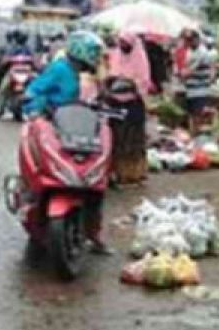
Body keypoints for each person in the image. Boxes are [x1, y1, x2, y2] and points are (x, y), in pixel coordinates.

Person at [21, 30, 112, 254]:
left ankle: (94, 232)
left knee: (95, 181)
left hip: (70, 125)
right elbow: (33, 91)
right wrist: (37, 109)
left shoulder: (73, 71)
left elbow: (74, 101)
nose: (96, 58)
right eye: (94, 53)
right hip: (52, 125)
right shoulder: (59, 69)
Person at [105, 32, 153, 185]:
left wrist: (130, 82)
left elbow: (143, 81)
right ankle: (119, 172)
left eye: (125, 43)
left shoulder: (140, 59)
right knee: (118, 139)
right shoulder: (116, 56)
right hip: (115, 104)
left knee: (134, 140)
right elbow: (110, 74)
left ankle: (135, 172)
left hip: (133, 104)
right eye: (121, 43)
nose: (122, 46)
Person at [180, 29, 216, 134]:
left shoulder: (201, 52)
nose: (187, 43)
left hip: (200, 90)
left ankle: (196, 136)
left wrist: (183, 74)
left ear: (196, 39)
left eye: (189, 40)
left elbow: (189, 71)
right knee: (192, 115)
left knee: (198, 115)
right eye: (186, 40)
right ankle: (193, 134)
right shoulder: (190, 51)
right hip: (191, 90)